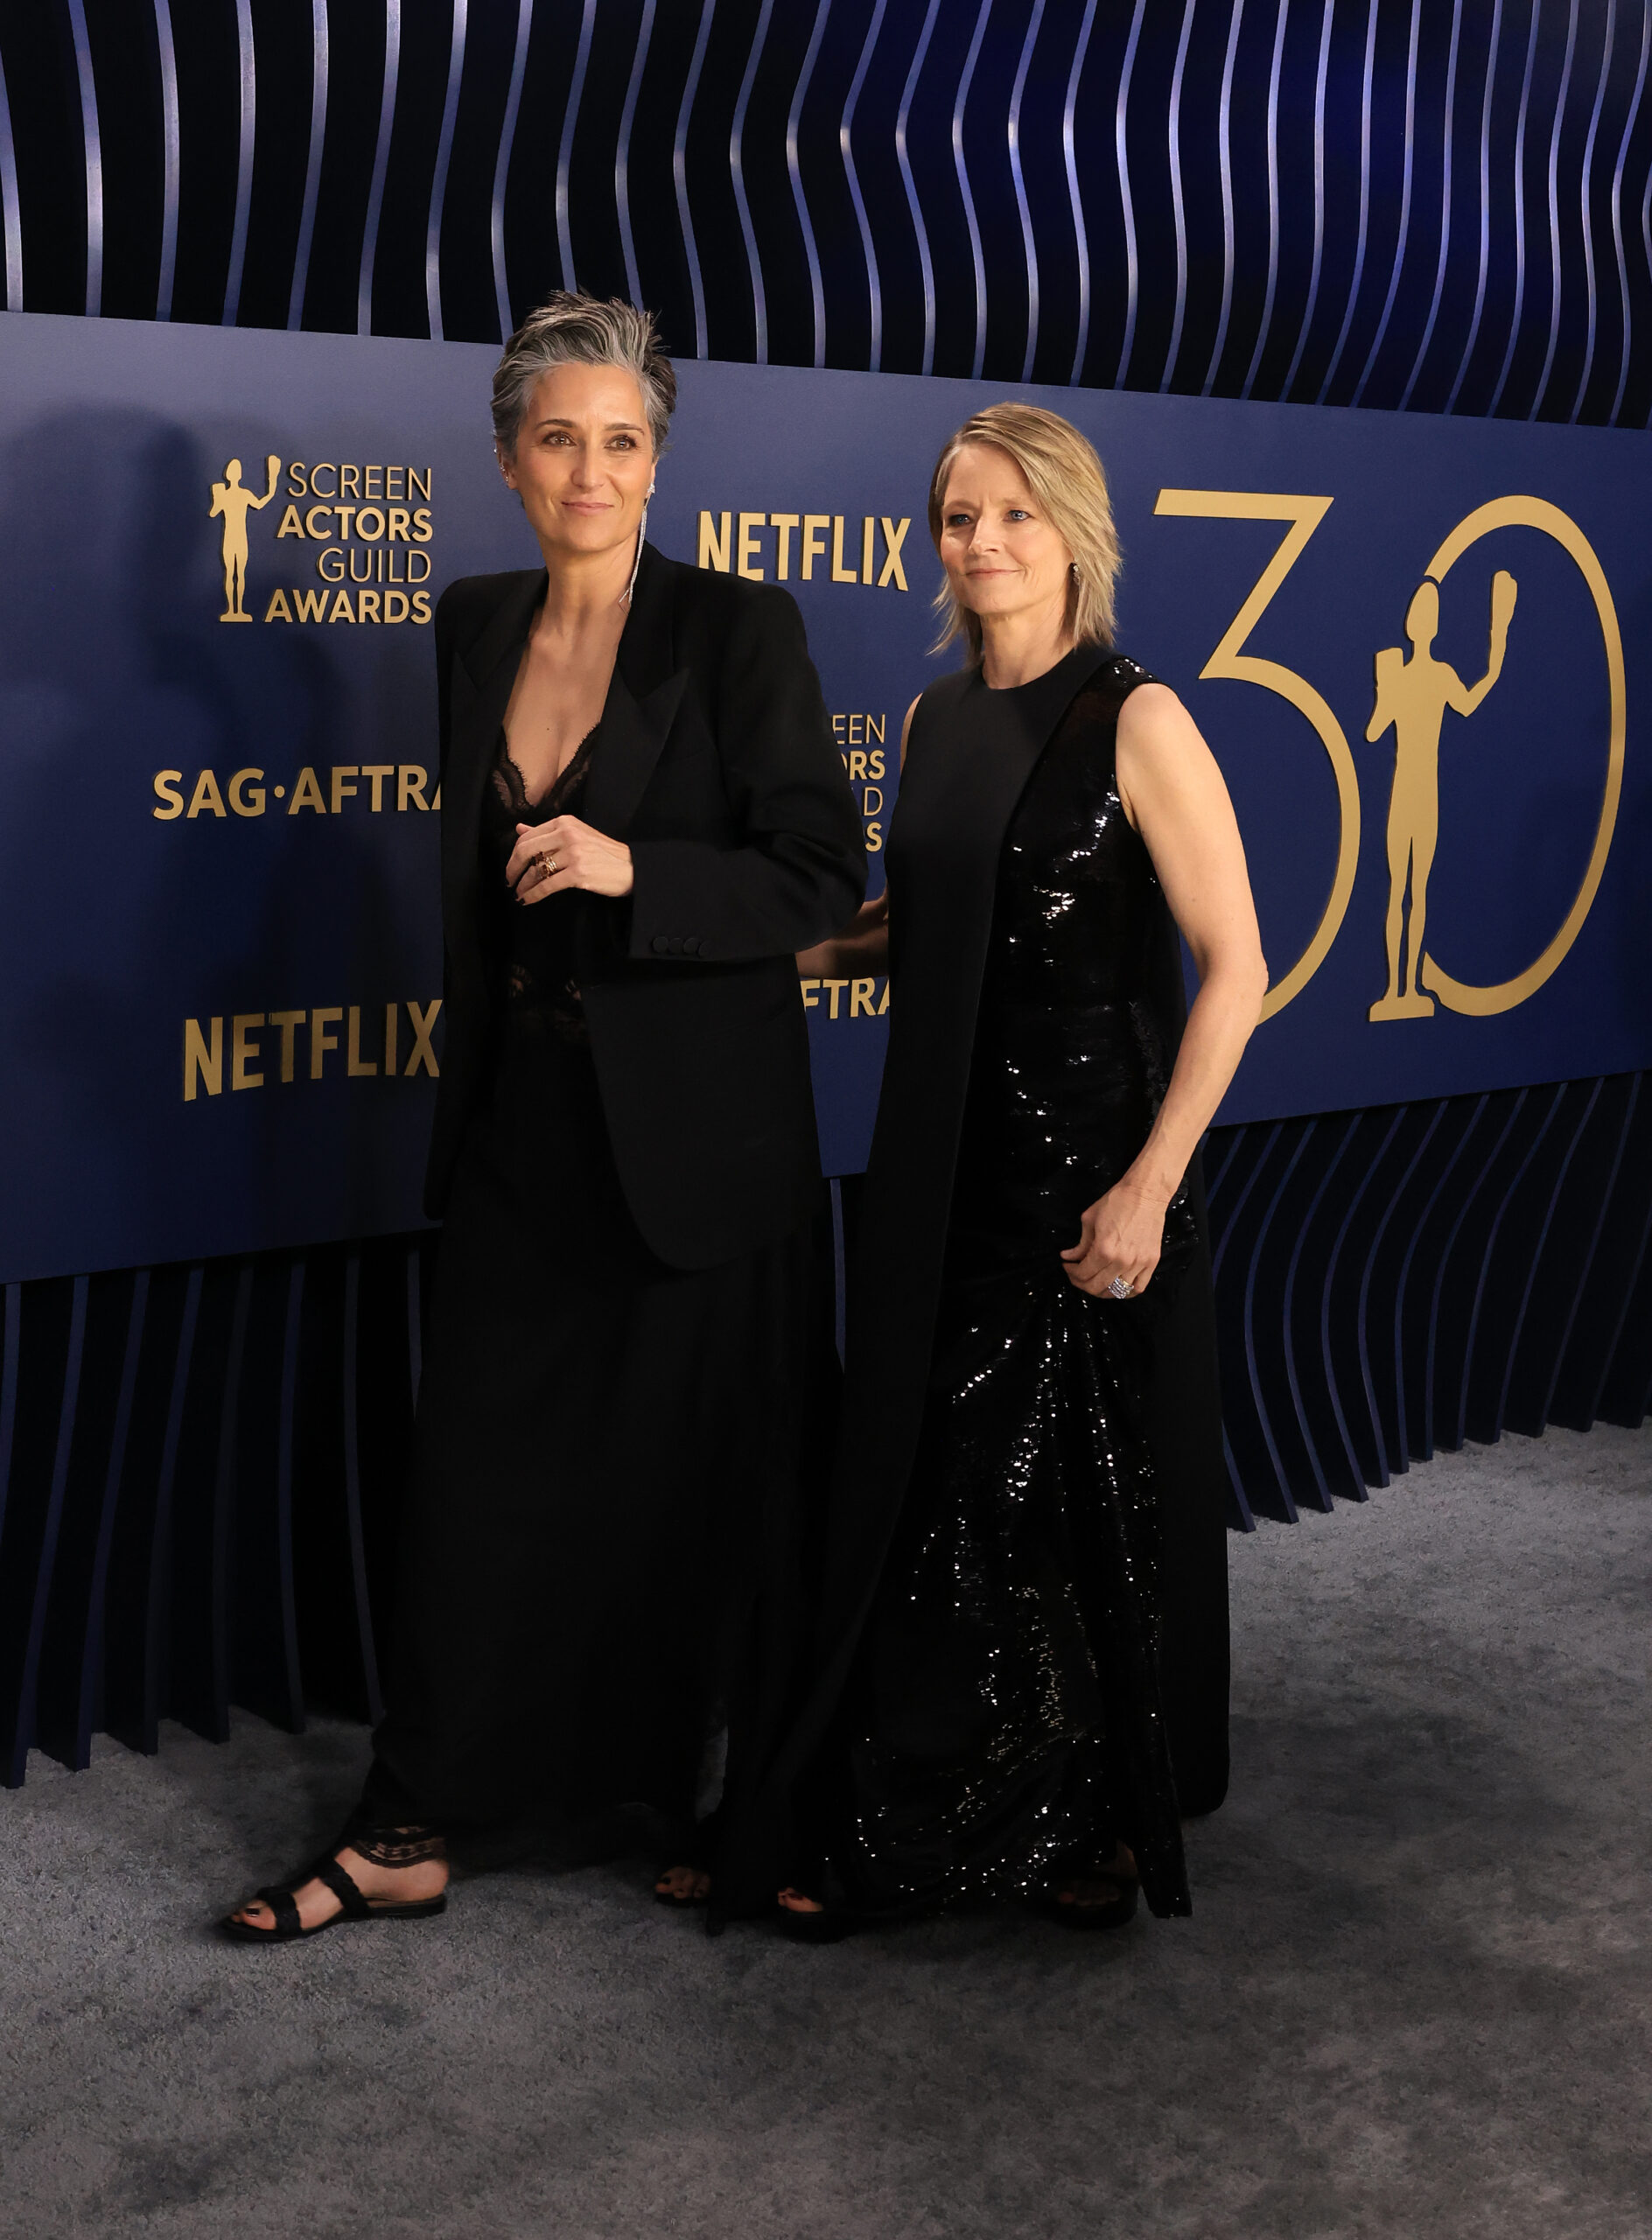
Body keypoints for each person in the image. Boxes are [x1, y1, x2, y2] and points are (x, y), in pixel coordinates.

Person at [223, 293, 864, 1942]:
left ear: (660, 466)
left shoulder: (738, 631)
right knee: (480, 1485)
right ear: (509, 459)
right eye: (561, 438)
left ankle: (707, 1807)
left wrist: (635, 866)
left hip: (705, 1148)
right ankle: (408, 1826)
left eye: (625, 441)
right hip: (522, 1115)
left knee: (707, 1494)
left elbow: (819, 873)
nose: (594, 469)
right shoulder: (471, 620)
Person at [759, 403, 1267, 1935]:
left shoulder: (1140, 720)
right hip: (943, 1170)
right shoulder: (930, 724)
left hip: (1089, 1184)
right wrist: (764, 959)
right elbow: (928, 924)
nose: (981, 544)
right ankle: (965, 1791)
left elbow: (1237, 967)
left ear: (1075, 535)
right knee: (949, 1497)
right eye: (958, 517)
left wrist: (1148, 1189)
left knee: (1072, 1509)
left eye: (1013, 516)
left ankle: (1089, 1820)